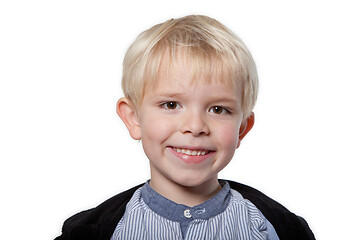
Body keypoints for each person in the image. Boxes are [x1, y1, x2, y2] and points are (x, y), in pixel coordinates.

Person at [55, 15, 315, 240]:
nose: (195, 127)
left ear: (242, 129)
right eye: (170, 104)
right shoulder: (94, 231)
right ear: (133, 118)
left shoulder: (276, 228)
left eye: (218, 109)